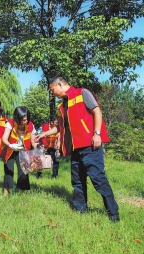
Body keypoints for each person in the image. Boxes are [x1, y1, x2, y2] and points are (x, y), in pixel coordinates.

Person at [34, 76, 119, 222]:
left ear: (59, 84)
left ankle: (113, 214)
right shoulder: (62, 107)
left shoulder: (82, 93)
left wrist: (97, 134)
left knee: (98, 179)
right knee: (77, 181)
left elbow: (97, 112)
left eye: (52, 90)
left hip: (90, 146)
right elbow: (59, 128)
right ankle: (81, 210)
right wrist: (43, 134)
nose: (52, 93)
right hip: (75, 149)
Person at [1, 106, 38, 196]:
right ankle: (5, 193)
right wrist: (10, 145)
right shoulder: (10, 123)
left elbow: (33, 142)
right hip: (10, 148)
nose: (24, 122)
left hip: (23, 149)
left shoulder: (31, 125)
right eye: (22, 120)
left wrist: (38, 149)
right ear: (16, 118)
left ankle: (21, 193)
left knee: (24, 171)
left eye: (26, 120)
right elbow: (4, 138)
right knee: (9, 170)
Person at [36, 115, 60, 179]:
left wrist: (58, 149)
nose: (58, 124)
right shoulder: (43, 127)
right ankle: (39, 175)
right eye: (56, 123)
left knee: (56, 159)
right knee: (40, 160)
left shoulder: (58, 128)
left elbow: (60, 138)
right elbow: (37, 136)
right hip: (43, 146)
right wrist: (40, 145)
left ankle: (54, 176)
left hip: (53, 147)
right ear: (51, 122)